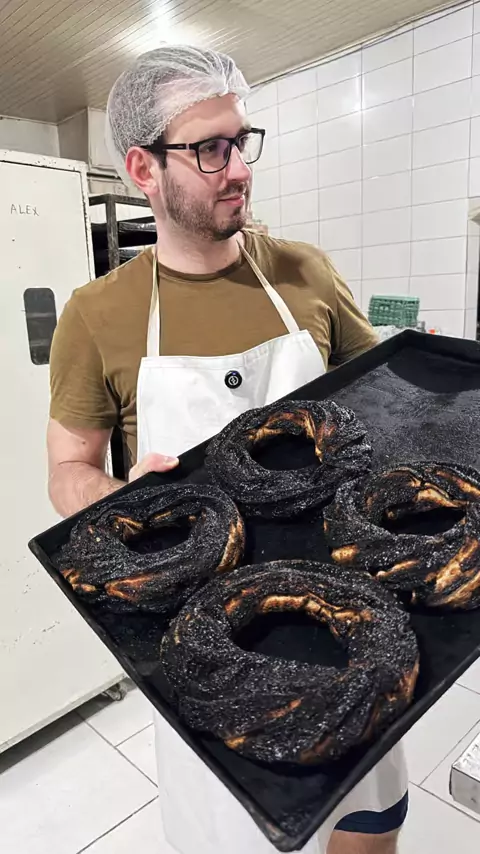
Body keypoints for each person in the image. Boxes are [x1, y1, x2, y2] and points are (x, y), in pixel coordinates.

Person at [47, 45, 407, 854]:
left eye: (242, 141)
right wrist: (122, 503)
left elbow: (385, 400)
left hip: (351, 617)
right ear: (142, 168)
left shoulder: (306, 273)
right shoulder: (96, 315)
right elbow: (67, 471)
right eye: (210, 149)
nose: (239, 168)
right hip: (208, 647)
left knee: (368, 826)